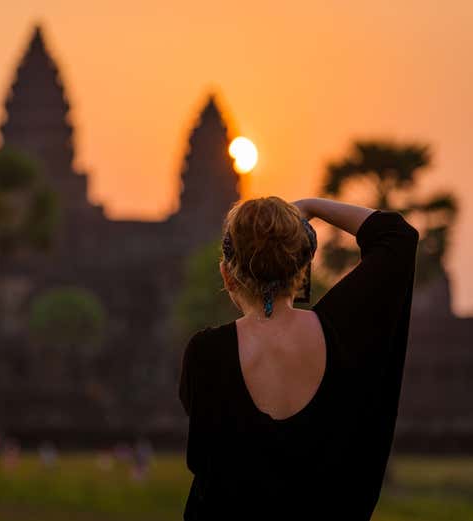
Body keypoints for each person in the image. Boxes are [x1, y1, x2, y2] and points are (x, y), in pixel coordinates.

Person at [179, 197, 419, 520]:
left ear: (227, 274)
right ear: (303, 269)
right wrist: (311, 207)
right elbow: (396, 236)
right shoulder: (341, 334)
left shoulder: (205, 355)